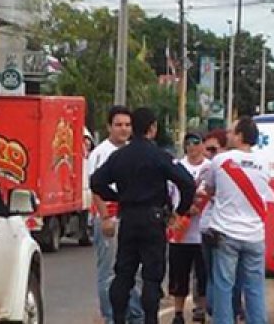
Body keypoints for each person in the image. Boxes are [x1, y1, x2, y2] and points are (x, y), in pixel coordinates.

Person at [90, 107, 196, 324]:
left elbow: (96, 182)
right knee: (151, 276)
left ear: (133, 128)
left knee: (123, 273)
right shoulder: (160, 156)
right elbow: (187, 183)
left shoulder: (119, 156)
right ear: (153, 128)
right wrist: (180, 211)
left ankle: (118, 318)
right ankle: (149, 319)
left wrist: (118, 197)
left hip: (128, 218)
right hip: (153, 219)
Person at [202, 116, 273, 324]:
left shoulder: (221, 160)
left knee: (224, 286)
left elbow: (209, 188)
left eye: (231, 132)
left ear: (240, 136)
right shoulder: (264, 163)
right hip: (254, 234)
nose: (228, 135)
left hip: (226, 232)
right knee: (255, 288)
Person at [87, 106, 144, 324]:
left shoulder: (132, 150)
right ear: (109, 127)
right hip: (109, 217)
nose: (124, 129)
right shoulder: (100, 153)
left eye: (128, 125)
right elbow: (96, 187)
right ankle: (111, 317)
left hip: (130, 217)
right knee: (109, 273)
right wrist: (105, 218)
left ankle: (132, 314)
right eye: (119, 125)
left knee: (133, 271)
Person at [167, 133, 211, 324]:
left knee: (203, 274)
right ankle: (178, 313)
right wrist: (175, 215)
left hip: (203, 230)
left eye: (196, 142)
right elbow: (168, 195)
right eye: (188, 144)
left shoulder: (210, 168)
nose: (192, 147)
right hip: (180, 230)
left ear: (203, 145)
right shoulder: (177, 167)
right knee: (179, 275)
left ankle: (200, 308)